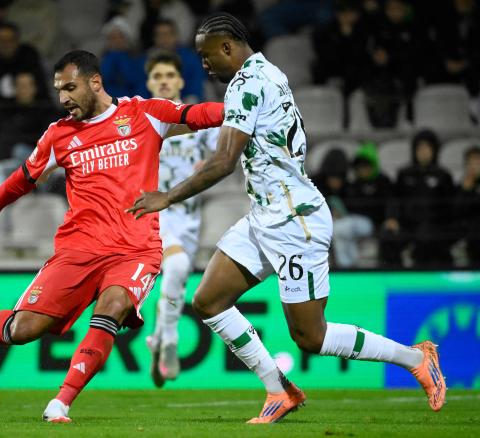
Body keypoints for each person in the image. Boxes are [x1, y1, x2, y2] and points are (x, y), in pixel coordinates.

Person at [128, 13, 446, 424]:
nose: (204, 65)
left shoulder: (245, 84)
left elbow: (225, 161)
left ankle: (414, 357)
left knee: (310, 337)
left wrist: (166, 197)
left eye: (208, 56)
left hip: (297, 221)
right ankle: (279, 390)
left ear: (227, 47)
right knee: (208, 300)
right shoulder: (268, 70)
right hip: (266, 215)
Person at [0, 50, 224, 423]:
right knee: (24, 329)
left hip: (135, 249)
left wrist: (245, 110)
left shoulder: (144, 113)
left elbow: (199, 115)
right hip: (78, 249)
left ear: (95, 82)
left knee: (113, 306)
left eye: (70, 87)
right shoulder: (59, 135)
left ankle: (60, 402)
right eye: (58, 90)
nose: (63, 97)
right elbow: (23, 179)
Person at [143, 51, 218, 386]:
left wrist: (213, 161)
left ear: (180, 81)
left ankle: (157, 339)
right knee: (176, 268)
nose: (163, 81)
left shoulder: (197, 119)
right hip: (153, 215)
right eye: (157, 76)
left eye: (169, 75)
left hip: (188, 217)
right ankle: (170, 339)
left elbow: (227, 142)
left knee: (176, 276)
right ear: (148, 82)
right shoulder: (140, 118)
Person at [380, 130, 455, 267]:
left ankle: (424, 279)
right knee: (387, 236)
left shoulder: (443, 175)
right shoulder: (404, 174)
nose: (423, 151)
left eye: (427, 148)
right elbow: (395, 198)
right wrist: (392, 217)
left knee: (426, 237)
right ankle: (393, 275)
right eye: (420, 148)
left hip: (434, 225)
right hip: (407, 224)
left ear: (434, 150)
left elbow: (450, 206)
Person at [453, 146, 480, 266]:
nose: (474, 166)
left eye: (477, 162)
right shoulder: (461, 187)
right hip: (469, 234)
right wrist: (466, 191)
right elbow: (456, 213)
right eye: (470, 163)